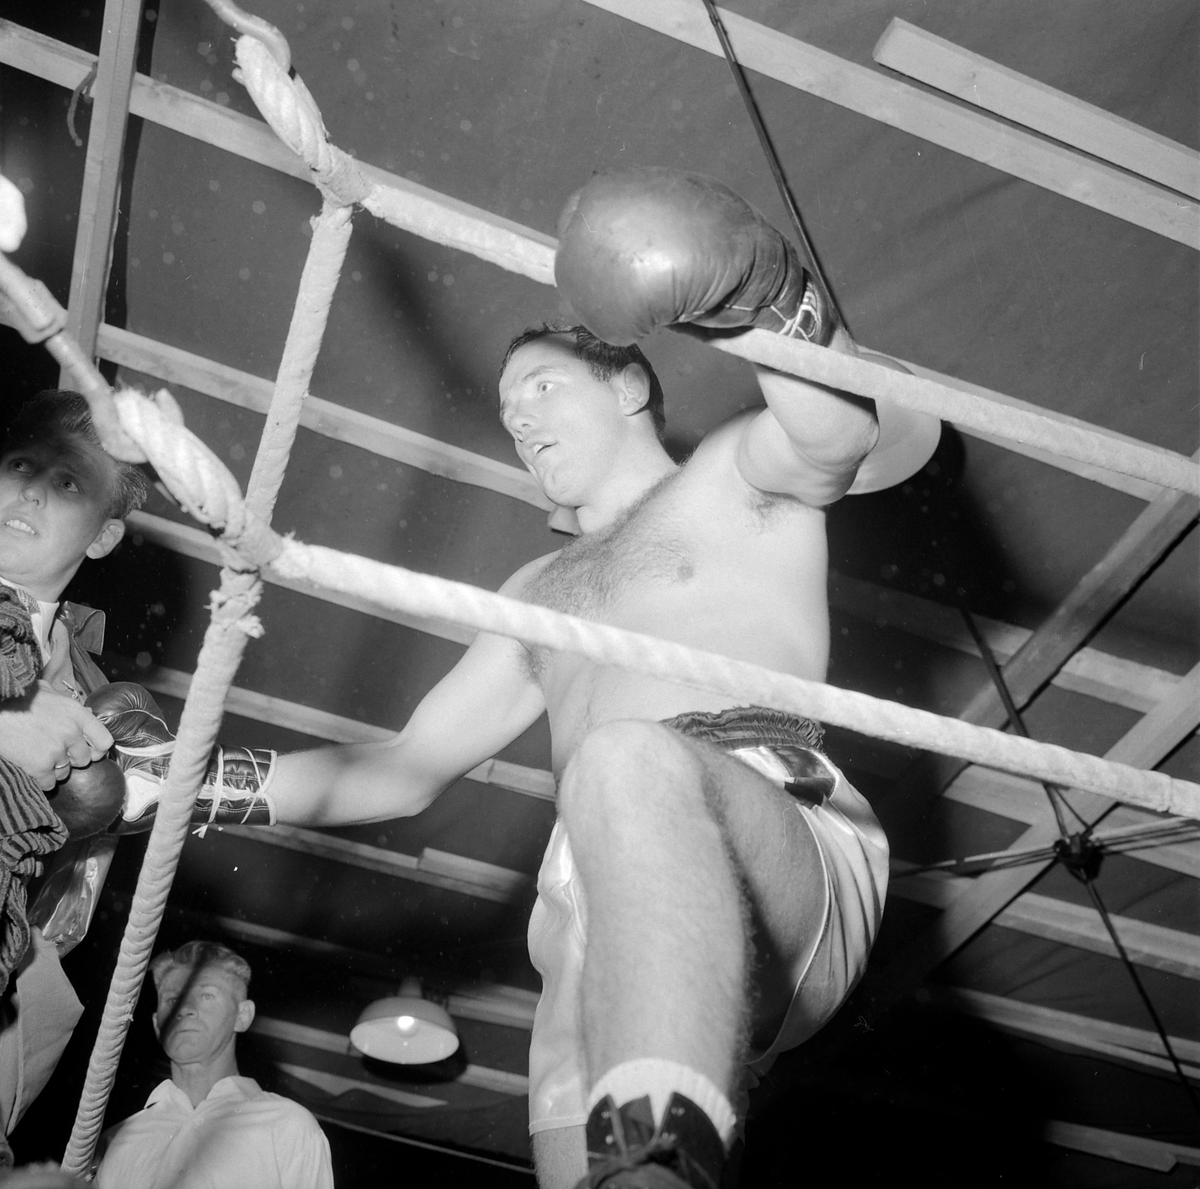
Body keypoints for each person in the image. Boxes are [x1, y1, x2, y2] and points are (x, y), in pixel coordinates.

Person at [181, 168, 937, 1188]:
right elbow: (399, 768)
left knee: (624, 764)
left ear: (629, 384)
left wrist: (760, 288)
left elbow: (836, 433)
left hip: (762, 817)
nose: (522, 419)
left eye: (543, 386)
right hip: (593, 896)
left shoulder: (728, 478)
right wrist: (185, 787)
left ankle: (661, 1161)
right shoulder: (534, 588)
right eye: (507, 408)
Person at [0, 389, 148, 1167]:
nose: (28, 487)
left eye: (66, 483)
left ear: (104, 536)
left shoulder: (99, 699)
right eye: (20, 463)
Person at [94, 940, 333, 1189]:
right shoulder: (115, 1141)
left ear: (242, 1017)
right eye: (172, 1000)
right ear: (157, 1025)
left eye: (206, 995)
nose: (185, 1009)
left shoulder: (288, 1126)